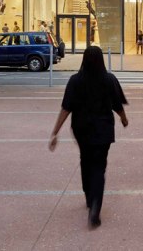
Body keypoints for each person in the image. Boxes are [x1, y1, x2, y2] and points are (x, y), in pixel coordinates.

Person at [49, 45, 128, 229]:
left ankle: (88, 196)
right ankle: (95, 208)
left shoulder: (75, 81)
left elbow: (66, 108)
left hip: (81, 128)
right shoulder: (109, 79)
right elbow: (117, 104)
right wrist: (124, 118)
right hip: (103, 129)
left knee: (85, 160)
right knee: (99, 167)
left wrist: (55, 132)